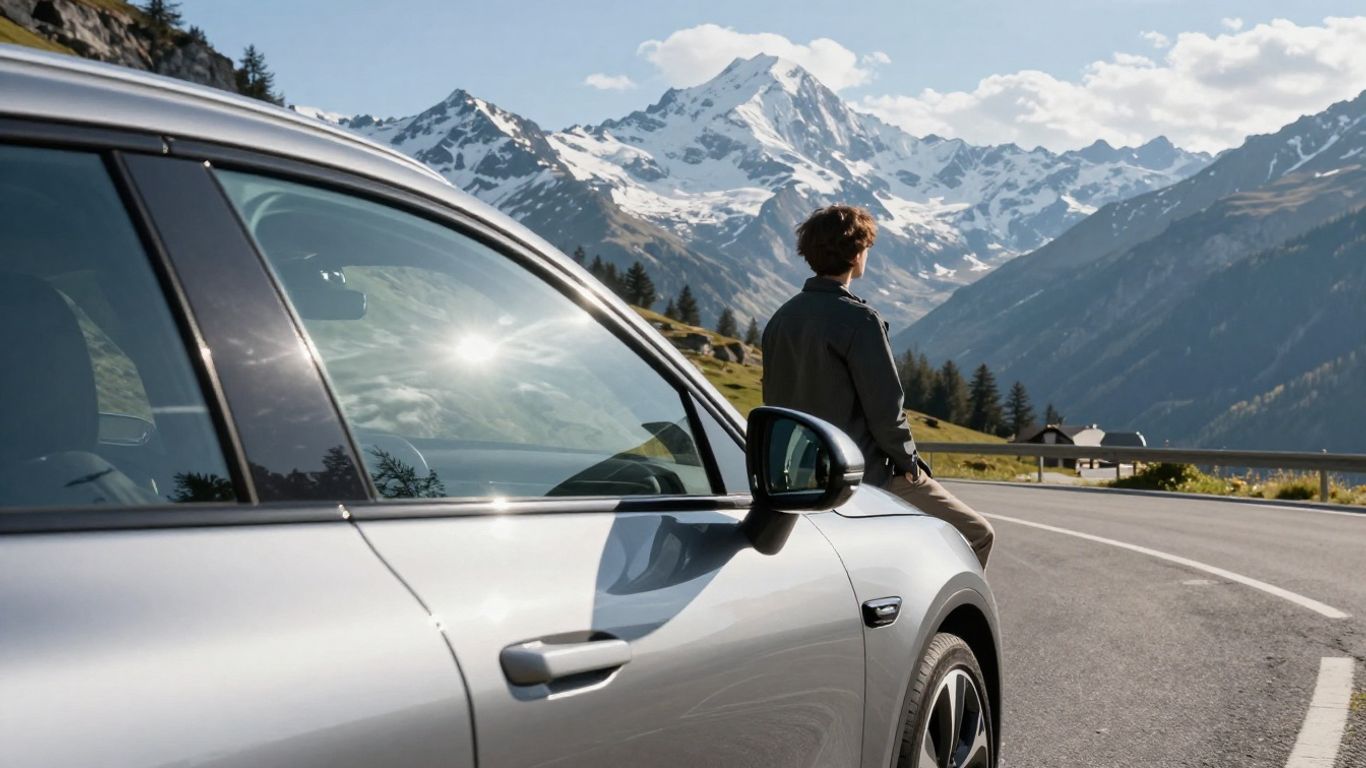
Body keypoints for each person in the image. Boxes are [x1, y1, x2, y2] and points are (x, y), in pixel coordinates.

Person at [761, 205, 994, 568]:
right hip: (863, 475)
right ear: (856, 255)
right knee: (977, 533)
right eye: (866, 249)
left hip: (800, 479)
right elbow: (886, 410)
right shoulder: (860, 320)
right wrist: (909, 465)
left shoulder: (781, 319)